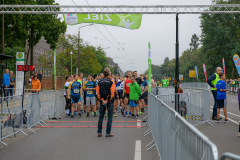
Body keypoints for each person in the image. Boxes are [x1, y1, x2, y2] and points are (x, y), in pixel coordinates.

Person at [96, 68, 115, 137]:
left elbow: (98, 92)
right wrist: (107, 100)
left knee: (101, 116)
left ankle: (99, 132)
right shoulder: (111, 81)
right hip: (110, 101)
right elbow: (111, 92)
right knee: (110, 116)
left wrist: (102, 99)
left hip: (102, 101)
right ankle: (108, 132)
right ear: (109, 74)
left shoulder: (99, 82)